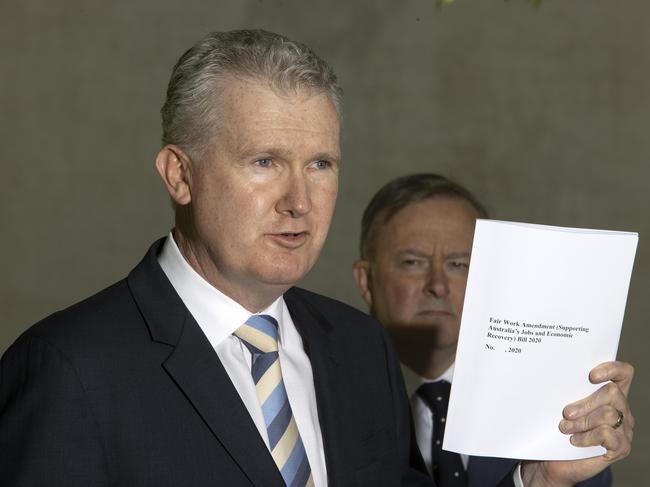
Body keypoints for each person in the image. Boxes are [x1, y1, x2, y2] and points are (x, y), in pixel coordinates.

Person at [0, 30, 432, 487]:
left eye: (320, 164)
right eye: (265, 162)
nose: (299, 202)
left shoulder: (362, 347)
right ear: (179, 176)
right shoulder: (69, 369)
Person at [352, 173, 634, 487]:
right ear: (366, 281)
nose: (438, 286)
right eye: (413, 262)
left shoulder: (558, 414)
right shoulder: (325, 400)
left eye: (459, 265)